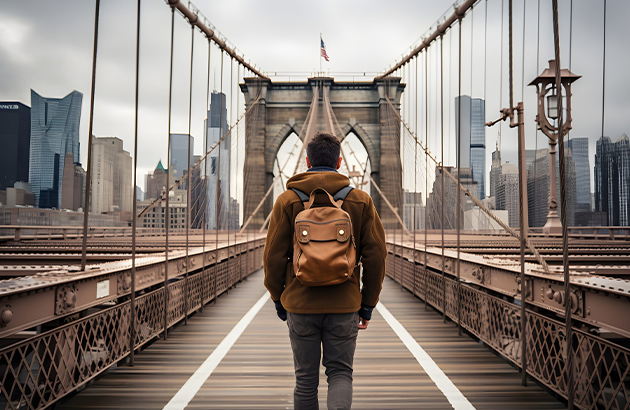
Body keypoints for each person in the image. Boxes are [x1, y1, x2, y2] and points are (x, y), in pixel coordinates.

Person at [263, 131, 387, 410]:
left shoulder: (286, 201)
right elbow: (377, 256)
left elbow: (272, 256)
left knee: (305, 380)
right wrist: (367, 305)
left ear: (307, 161)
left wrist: (278, 298)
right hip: (345, 305)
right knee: (340, 374)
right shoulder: (361, 200)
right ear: (340, 162)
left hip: (300, 303)